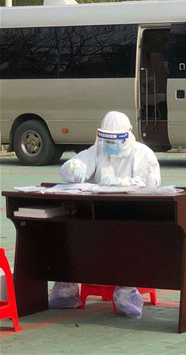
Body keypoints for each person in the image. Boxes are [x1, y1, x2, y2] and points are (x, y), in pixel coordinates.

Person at [50, 111, 161, 318]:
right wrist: (75, 169)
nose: (109, 145)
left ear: (126, 137)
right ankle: (66, 289)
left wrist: (121, 183)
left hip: (130, 217)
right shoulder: (99, 150)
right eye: (106, 140)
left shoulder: (142, 154)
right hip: (99, 213)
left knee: (123, 241)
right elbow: (73, 164)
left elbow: (150, 184)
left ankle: (126, 292)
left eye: (114, 141)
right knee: (71, 233)